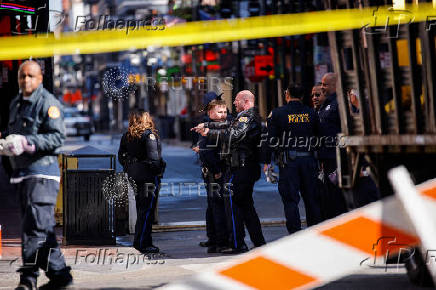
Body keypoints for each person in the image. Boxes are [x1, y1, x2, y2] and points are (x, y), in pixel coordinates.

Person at [0, 60, 72, 290]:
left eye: (30, 76)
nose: (25, 80)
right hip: (22, 175)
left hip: (42, 174)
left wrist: (28, 142)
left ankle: (43, 277)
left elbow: (58, 137)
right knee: (34, 229)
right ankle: (45, 278)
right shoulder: (16, 104)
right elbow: (13, 135)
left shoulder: (47, 103)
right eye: (22, 76)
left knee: (36, 229)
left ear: (40, 78)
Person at [193, 90, 266, 253]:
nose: (234, 103)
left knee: (232, 206)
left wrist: (209, 133)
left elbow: (233, 134)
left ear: (246, 101)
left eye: (237, 100)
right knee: (246, 206)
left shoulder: (246, 117)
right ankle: (258, 241)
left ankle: (238, 243)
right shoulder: (245, 117)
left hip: (240, 167)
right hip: (244, 167)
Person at [265, 84, 323, 234]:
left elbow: (270, 140)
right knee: (312, 199)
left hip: (289, 163)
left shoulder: (277, 114)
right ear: (303, 96)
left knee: (290, 200)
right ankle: (315, 232)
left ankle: (295, 233)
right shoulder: (312, 113)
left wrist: (267, 162)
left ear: (287, 95)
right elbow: (320, 137)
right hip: (309, 162)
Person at [118, 110, 166, 254]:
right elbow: (154, 158)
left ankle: (141, 241)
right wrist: (157, 171)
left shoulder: (127, 135)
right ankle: (143, 243)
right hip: (148, 177)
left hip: (134, 177)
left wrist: (130, 166)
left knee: (142, 209)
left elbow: (121, 156)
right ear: (145, 118)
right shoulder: (148, 135)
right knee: (147, 211)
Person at [198, 99, 231, 253]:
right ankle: (221, 242)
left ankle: (216, 240)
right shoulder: (208, 129)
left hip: (221, 171)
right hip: (214, 173)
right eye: (219, 112)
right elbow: (206, 152)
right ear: (210, 113)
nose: (223, 115)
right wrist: (216, 170)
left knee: (217, 207)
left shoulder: (222, 126)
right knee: (217, 208)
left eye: (225, 111)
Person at [319, 73, 347, 218]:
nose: (322, 87)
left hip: (336, 156)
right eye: (322, 84)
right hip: (327, 156)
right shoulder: (327, 103)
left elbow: (345, 130)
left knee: (337, 195)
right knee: (328, 195)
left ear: (335, 85)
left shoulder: (339, 103)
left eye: (325, 84)